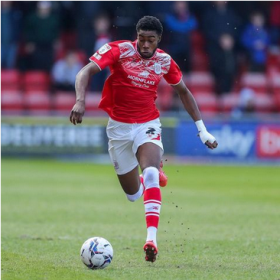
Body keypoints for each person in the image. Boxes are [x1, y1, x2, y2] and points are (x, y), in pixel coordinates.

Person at [70, 16, 218, 263]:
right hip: (118, 129)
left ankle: (151, 239)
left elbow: (184, 92)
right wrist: (80, 100)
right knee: (132, 194)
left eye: (151, 40)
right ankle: (146, 179)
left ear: (158, 40)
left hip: (148, 124)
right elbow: (85, 71)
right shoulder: (119, 50)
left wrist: (202, 130)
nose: (146, 45)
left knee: (150, 171)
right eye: (142, 39)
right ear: (136, 36)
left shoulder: (164, 61)